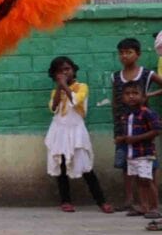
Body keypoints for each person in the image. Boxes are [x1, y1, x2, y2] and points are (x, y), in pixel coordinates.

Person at [44, 57, 112, 213]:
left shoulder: (82, 87)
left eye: (67, 69)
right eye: (60, 71)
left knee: (86, 166)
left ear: (73, 70)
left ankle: (101, 201)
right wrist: (60, 88)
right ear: (54, 75)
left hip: (76, 131)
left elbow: (76, 101)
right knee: (61, 166)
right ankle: (65, 200)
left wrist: (64, 86)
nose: (64, 73)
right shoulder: (56, 91)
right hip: (59, 131)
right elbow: (53, 108)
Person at [110, 38, 162, 214]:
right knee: (127, 165)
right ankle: (131, 201)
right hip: (124, 128)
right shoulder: (116, 76)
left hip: (142, 128)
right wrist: (117, 129)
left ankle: (153, 204)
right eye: (122, 52)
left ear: (137, 54)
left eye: (129, 52)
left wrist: (150, 94)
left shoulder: (146, 74)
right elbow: (115, 104)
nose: (125, 56)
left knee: (148, 169)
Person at [116, 81, 161, 221]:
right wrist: (122, 139)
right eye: (128, 94)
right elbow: (128, 134)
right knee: (138, 180)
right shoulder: (126, 115)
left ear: (143, 97)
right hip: (132, 154)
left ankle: (154, 207)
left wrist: (136, 138)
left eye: (135, 93)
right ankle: (143, 206)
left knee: (147, 180)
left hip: (144, 154)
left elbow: (157, 130)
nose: (131, 97)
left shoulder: (147, 113)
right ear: (123, 97)